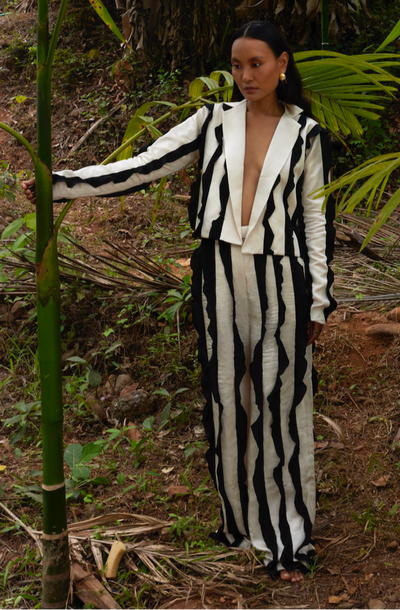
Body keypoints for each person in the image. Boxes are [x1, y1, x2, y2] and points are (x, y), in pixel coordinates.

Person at [23, 21, 336, 583]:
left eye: (257, 63)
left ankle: (288, 539)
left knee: (280, 407)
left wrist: (318, 302)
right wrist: (63, 183)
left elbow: (316, 221)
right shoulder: (212, 122)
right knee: (226, 403)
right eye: (237, 65)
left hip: (282, 280)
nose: (246, 75)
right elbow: (144, 165)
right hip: (217, 274)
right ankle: (240, 525)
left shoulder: (307, 135)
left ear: (282, 63)